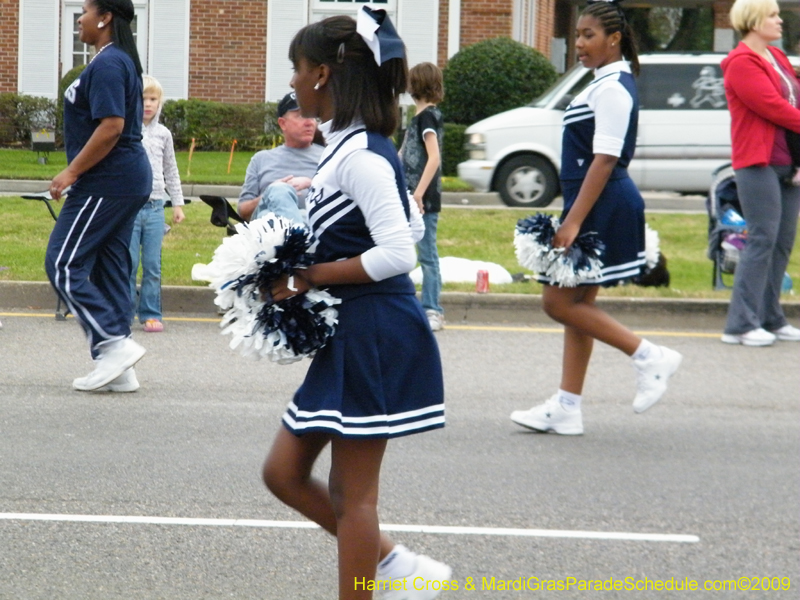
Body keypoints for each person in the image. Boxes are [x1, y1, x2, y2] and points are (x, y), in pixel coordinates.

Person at [260, 9, 451, 600]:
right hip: (352, 328)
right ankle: (396, 568)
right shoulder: (343, 149)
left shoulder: (364, 154)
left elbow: (400, 253)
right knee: (284, 474)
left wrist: (309, 274)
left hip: (375, 330)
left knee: (353, 496)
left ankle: (373, 585)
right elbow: (399, 223)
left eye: (295, 69)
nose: (290, 83)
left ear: (321, 74)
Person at [509, 0, 682, 436]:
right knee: (577, 305)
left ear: (614, 39)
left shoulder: (611, 87)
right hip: (597, 200)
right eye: (578, 35)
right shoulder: (604, 82)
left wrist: (572, 222)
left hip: (603, 202)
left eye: (590, 36)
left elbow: (604, 161)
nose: (581, 44)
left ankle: (648, 356)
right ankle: (567, 407)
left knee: (557, 302)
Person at [45, 0, 151, 392]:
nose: (80, 19)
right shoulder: (118, 60)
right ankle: (119, 370)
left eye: (86, 11)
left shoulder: (108, 63)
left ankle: (112, 343)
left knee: (62, 262)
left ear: (105, 18)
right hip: (125, 179)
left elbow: (112, 126)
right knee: (109, 269)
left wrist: (72, 170)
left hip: (108, 180)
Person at [719, 0, 800, 346]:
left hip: (789, 163)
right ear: (753, 20)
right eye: (773, 15)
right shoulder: (740, 62)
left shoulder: (777, 58)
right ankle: (739, 325)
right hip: (758, 162)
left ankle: (770, 317)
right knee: (761, 239)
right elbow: (773, 106)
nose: (780, 20)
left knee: (781, 243)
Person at [128, 74, 185, 334]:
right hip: (129, 208)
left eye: (153, 99)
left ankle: (150, 312)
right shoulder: (125, 131)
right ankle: (124, 312)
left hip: (154, 208)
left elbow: (171, 170)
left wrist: (177, 204)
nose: (148, 104)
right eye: (143, 99)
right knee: (128, 263)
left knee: (152, 265)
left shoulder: (164, 134)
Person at [401, 62, 445, 332]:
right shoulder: (418, 118)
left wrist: (418, 194)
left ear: (414, 85)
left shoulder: (428, 117)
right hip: (408, 197)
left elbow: (434, 157)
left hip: (422, 200)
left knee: (427, 255)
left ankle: (433, 309)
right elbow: (403, 156)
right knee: (403, 252)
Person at [236, 92, 323, 223]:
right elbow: (243, 211)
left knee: (272, 216)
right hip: (272, 227)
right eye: (301, 116)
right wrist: (270, 193)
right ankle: (296, 234)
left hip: (311, 221)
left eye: (313, 116)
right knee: (279, 191)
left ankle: (293, 233)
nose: (309, 122)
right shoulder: (261, 159)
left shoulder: (329, 157)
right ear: (282, 124)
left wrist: (311, 183)